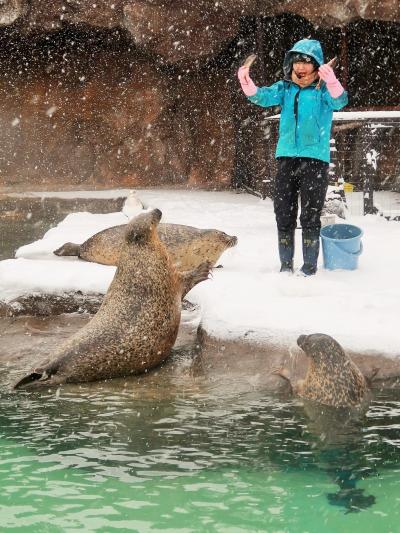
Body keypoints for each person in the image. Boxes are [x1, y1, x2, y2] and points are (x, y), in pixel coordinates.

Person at [237, 39, 348, 276]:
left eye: (306, 62)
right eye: (297, 60)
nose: (301, 66)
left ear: (316, 64)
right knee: (283, 213)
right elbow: (262, 97)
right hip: (286, 157)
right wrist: (246, 82)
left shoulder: (323, 90)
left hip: (315, 159)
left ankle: (309, 268)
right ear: (291, 63)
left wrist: (332, 81)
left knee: (310, 215)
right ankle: (285, 266)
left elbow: (340, 101)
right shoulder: (285, 88)